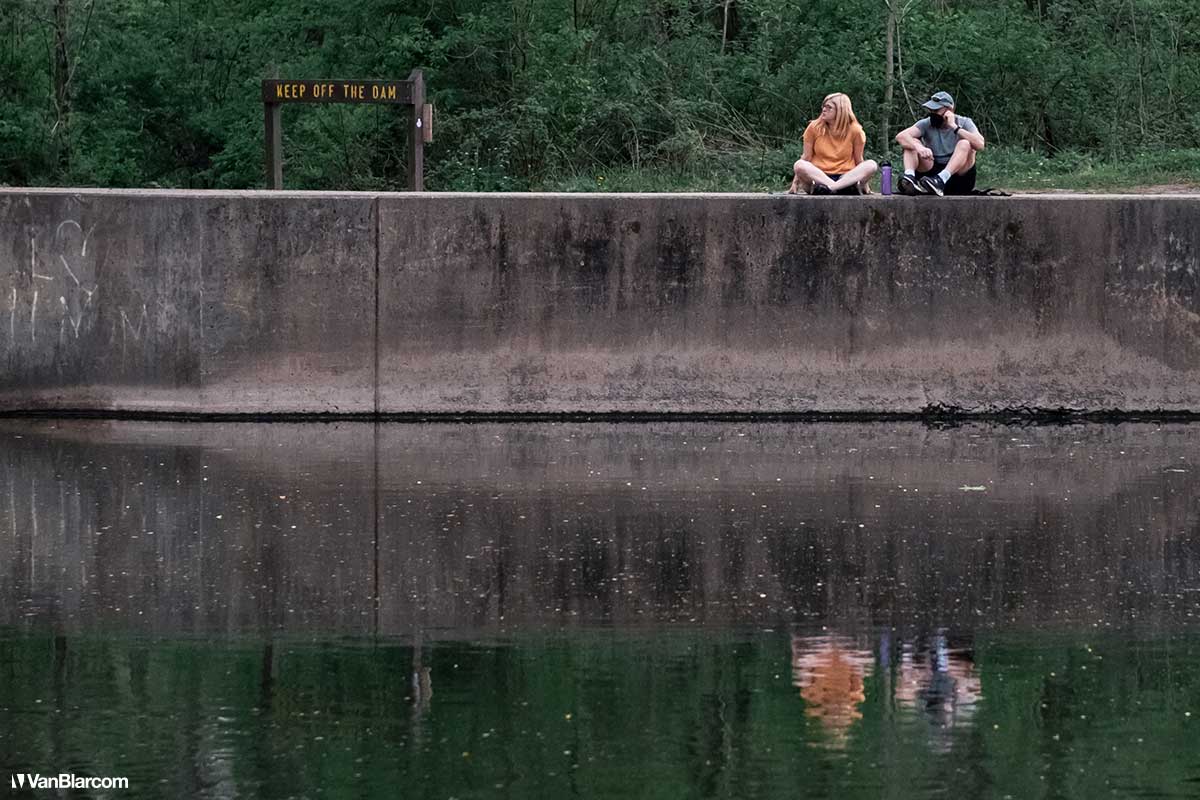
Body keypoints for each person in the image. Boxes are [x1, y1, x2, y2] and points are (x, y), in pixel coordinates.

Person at [894, 91, 986, 196]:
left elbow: (980, 145)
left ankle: (942, 179)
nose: (932, 113)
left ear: (950, 110)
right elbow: (901, 136)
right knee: (911, 142)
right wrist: (919, 147)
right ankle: (909, 179)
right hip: (931, 175)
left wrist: (955, 127)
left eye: (936, 110)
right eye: (930, 110)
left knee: (965, 143)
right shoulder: (926, 123)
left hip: (959, 176)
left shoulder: (964, 122)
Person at [787, 93, 878, 196]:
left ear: (840, 110)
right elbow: (806, 157)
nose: (824, 110)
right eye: (823, 106)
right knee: (799, 165)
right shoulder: (814, 127)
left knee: (871, 164)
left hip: (846, 177)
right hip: (818, 178)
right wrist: (795, 183)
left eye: (829, 107)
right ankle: (837, 188)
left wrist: (865, 184)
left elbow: (858, 159)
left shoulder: (855, 130)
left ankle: (832, 188)